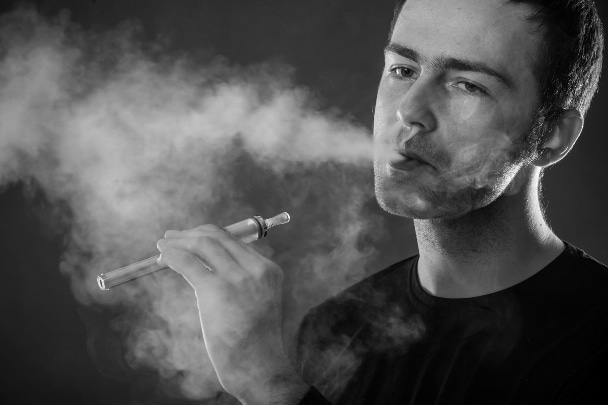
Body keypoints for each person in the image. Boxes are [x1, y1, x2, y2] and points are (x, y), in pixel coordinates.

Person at [156, 0, 607, 403]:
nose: (409, 111)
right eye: (403, 70)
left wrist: (271, 388)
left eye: (468, 85)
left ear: (552, 135)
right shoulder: (333, 327)